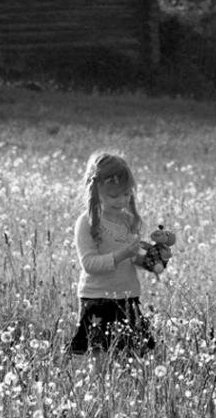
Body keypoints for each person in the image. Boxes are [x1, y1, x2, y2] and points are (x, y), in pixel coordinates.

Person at [68, 151, 155, 356]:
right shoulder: (87, 222)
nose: (121, 201)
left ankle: (127, 389)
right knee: (98, 357)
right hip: (98, 299)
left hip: (127, 298)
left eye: (126, 194)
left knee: (133, 355)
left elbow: (134, 259)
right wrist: (124, 253)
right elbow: (89, 264)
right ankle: (97, 389)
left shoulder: (128, 221)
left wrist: (150, 259)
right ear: (94, 191)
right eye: (113, 195)